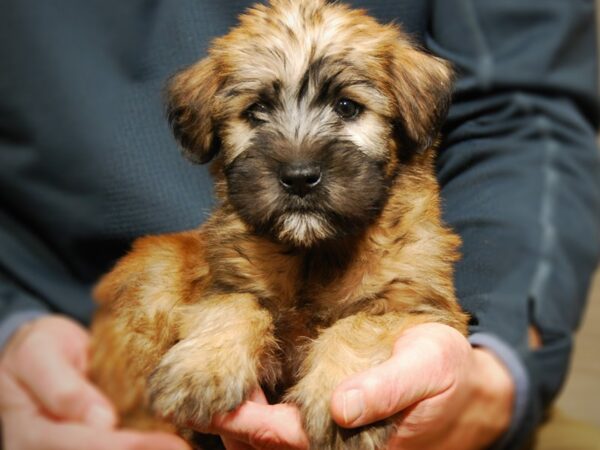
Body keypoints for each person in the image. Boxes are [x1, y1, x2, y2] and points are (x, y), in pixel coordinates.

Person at [0, 1, 598, 449]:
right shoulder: (220, 260)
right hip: (62, 379)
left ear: (409, 121)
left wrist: (500, 364)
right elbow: (221, 297)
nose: (299, 160)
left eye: (347, 108)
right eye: (257, 111)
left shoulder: (408, 251)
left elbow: (527, 116)